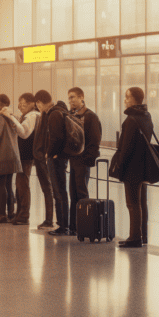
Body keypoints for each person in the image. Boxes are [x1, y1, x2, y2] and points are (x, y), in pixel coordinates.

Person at [113, 87, 152, 248]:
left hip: (132, 168)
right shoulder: (146, 116)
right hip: (143, 166)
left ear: (135, 99)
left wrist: (120, 166)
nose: (125, 100)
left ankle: (135, 237)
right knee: (142, 202)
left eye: (127, 97)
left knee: (132, 203)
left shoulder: (130, 120)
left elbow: (126, 147)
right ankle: (143, 235)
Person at [34, 90, 72, 236]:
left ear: (39, 103)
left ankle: (63, 225)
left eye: (37, 104)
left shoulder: (54, 114)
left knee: (59, 192)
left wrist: (49, 153)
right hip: (60, 158)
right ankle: (64, 224)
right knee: (60, 191)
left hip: (56, 159)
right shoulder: (59, 110)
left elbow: (55, 137)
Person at [4, 93, 45, 227]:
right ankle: (19, 213)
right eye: (19, 104)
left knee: (22, 185)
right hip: (22, 155)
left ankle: (23, 215)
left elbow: (24, 133)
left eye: (23, 104)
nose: (20, 107)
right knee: (20, 184)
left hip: (26, 155)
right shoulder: (27, 116)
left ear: (32, 104)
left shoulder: (33, 116)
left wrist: (10, 117)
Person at [66, 87, 102, 234]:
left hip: (83, 160)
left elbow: (95, 140)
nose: (71, 101)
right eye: (69, 98)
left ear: (82, 97)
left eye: (73, 97)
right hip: (73, 160)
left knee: (82, 193)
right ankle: (74, 226)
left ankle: (85, 226)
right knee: (73, 194)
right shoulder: (70, 115)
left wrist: (87, 158)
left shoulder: (90, 116)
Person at [0, 94, 23, 223]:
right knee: (8, 186)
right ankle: (11, 213)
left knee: (0, 186)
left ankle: (1, 214)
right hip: (12, 157)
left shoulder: (1, 118)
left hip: (2, 157)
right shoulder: (12, 117)